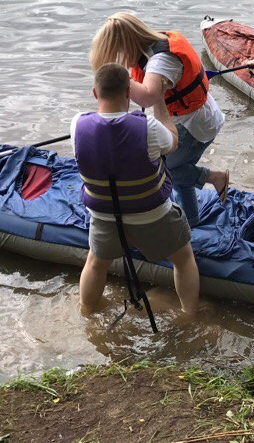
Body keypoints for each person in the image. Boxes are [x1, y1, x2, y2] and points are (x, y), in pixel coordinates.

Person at [72, 63, 200, 317]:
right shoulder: (149, 127)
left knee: (96, 263)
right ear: (129, 93)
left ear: (95, 93)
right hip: (152, 215)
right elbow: (173, 142)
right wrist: (160, 100)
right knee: (184, 259)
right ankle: (189, 314)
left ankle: (86, 312)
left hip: (104, 216)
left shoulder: (77, 124)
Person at [89, 13, 228, 227]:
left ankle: (214, 177)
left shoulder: (161, 60)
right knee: (181, 168)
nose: (119, 61)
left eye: (117, 54)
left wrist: (117, 76)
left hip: (194, 125)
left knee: (165, 169)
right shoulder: (151, 47)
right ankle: (190, 221)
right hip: (192, 117)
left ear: (127, 44)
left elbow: (148, 96)